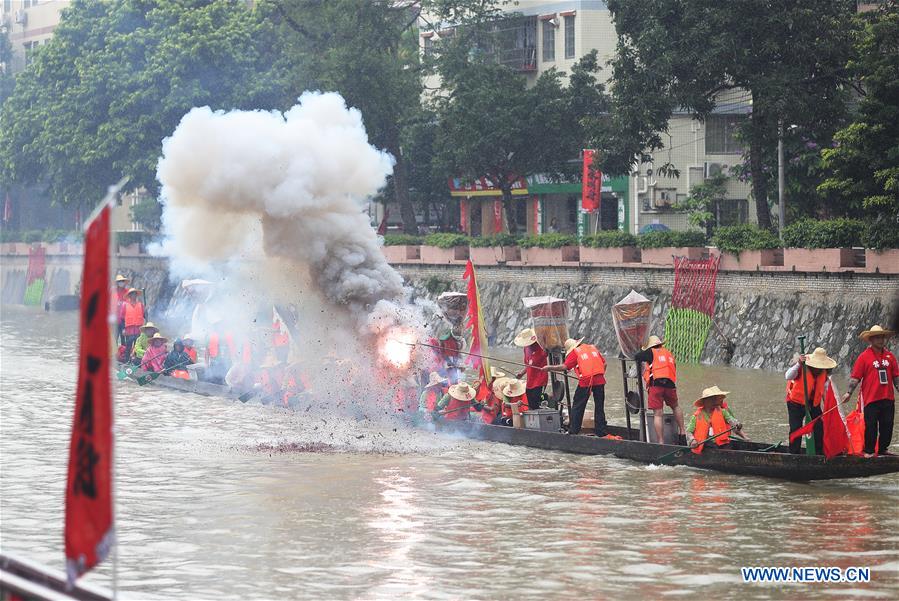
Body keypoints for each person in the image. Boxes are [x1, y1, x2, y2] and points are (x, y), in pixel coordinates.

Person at [842, 325, 898, 457]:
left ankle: (883, 448)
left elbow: (896, 377)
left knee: (887, 425)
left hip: (888, 398)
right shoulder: (863, 357)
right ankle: (869, 451)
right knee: (871, 426)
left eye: (882, 337)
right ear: (871, 340)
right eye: (877, 337)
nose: (880, 340)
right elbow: (855, 378)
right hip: (871, 399)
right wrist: (849, 392)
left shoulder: (890, 357)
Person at [544, 337, 607, 436]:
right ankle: (601, 431)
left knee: (578, 406)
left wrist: (549, 368)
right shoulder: (592, 348)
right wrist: (597, 374)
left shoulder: (575, 352)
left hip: (586, 381)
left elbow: (565, 367)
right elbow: (605, 364)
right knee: (599, 407)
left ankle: (573, 430)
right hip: (600, 379)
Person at [634, 335, 685, 444]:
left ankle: (661, 442)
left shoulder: (650, 352)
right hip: (670, 385)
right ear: (660, 344)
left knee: (658, 413)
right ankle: (683, 432)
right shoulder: (669, 353)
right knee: (675, 406)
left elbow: (637, 356)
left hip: (656, 385)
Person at [784, 347, 836, 455]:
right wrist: (798, 364)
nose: (819, 368)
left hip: (813, 404)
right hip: (796, 403)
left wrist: (828, 407)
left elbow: (825, 390)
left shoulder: (824, 373)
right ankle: (794, 454)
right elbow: (787, 376)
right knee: (796, 429)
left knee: (819, 427)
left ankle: (819, 453)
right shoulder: (801, 367)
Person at [686, 386, 745, 453]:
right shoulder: (696, 416)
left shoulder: (722, 411)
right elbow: (689, 431)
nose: (714, 402)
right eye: (711, 400)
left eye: (715, 399)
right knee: (711, 446)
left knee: (728, 447)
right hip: (706, 445)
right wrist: (692, 440)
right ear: (705, 402)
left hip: (723, 443)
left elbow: (731, 420)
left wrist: (737, 424)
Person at [514, 327, 548, 410]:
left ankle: (547, 400)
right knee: (530, 401)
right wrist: (521, 373)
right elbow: (528, 364)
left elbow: (547, 352)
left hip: (539, 380)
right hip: (530, 381)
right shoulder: (526, 349)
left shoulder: (541, 348)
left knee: (536, 401)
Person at [118, 288, 145, 361]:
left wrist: (146, 312)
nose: (133, 295)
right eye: (132, 294)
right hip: (129, 330)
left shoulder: (141, 305)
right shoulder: (125, 305)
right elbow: (122, 318)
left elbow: (144, 316)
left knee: (137, 346)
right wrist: (123, 329)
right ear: (129, 296)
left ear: (136, 295)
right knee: (128, 346)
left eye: (135, 294)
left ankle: (135, 360)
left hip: (138, 330)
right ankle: (126, 360)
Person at [113, 274, 130, 343]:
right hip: (115, 320)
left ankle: (124, 352)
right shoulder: (113, 292)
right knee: (115, 337)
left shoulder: (127, 292)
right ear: (117, 283)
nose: (121, 283)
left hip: (124, 320)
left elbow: (130, 303)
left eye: (122, 281)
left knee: (124, 338)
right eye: (120, 281)